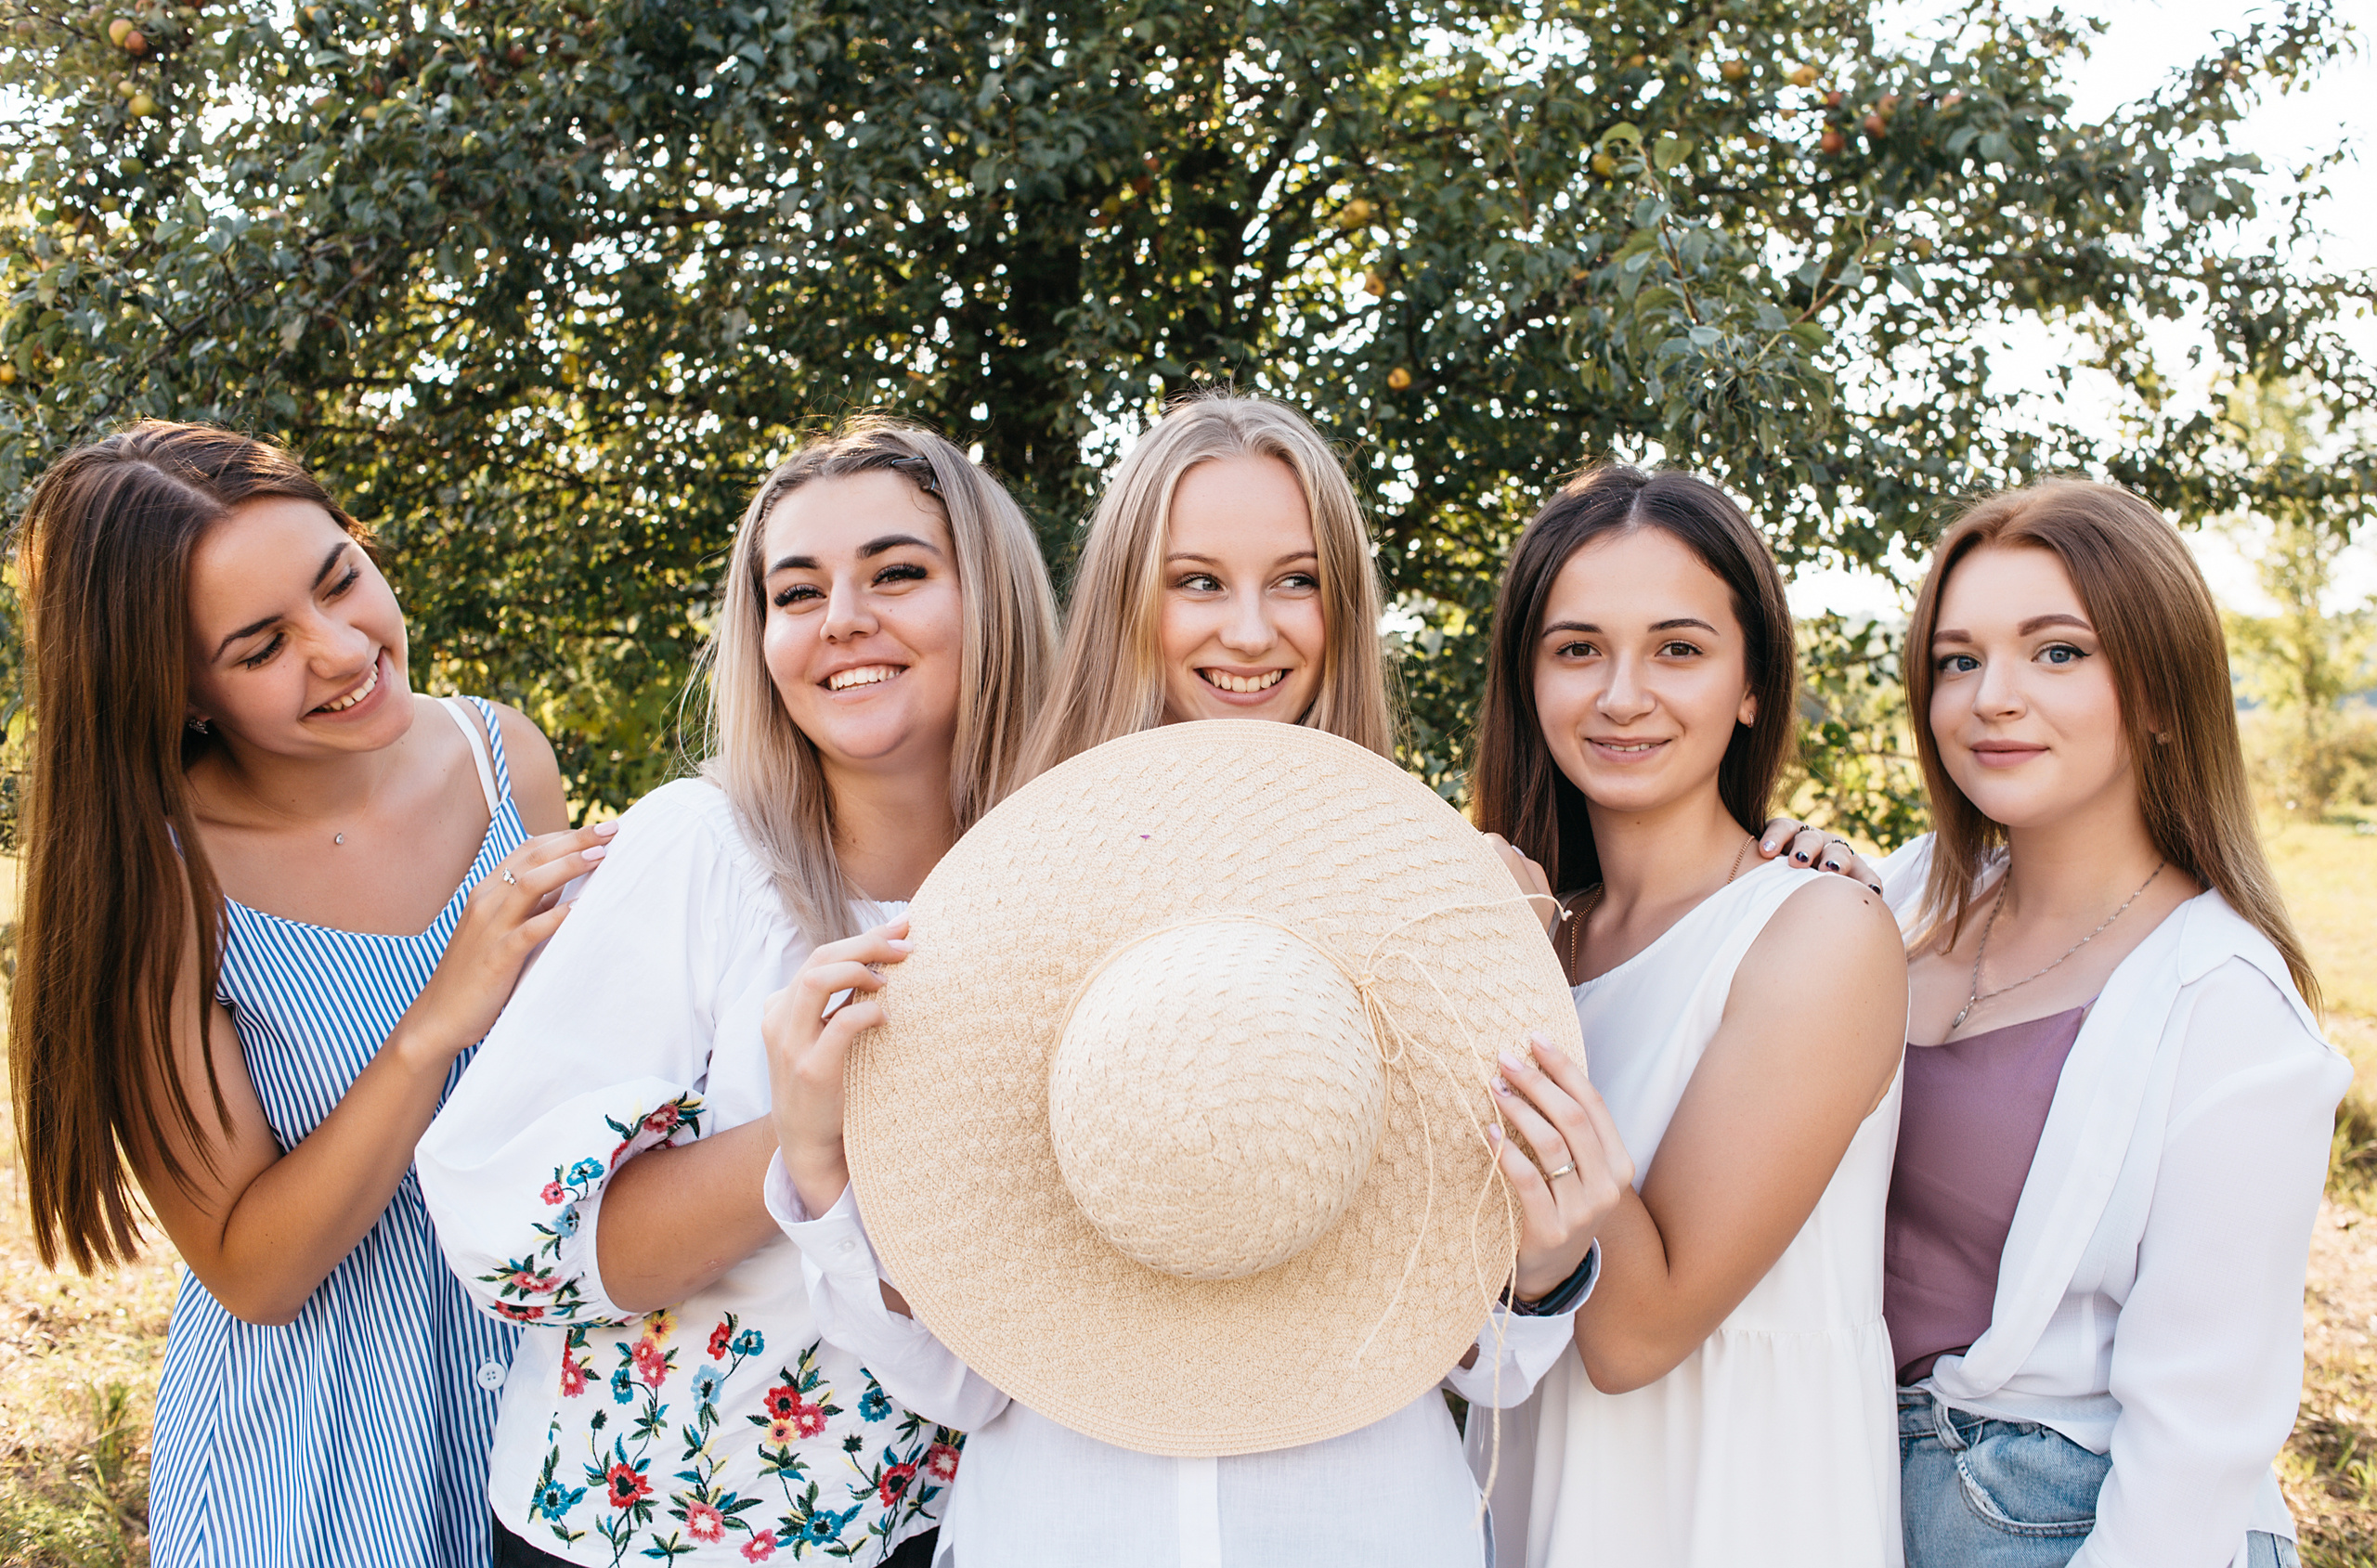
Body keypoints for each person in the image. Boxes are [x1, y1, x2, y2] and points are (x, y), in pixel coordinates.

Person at [763, 391, 1626, 1567]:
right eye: (1199, 582)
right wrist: (818, 1164)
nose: (1252, 631)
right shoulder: (1005, 907)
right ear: (1130, 597)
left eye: (1297, 580)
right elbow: (957, 1385)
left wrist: (1540, 1270)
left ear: (1345, 605)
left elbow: (1486, 1364)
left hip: (1361, 1532)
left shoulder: (1445, 904)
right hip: (1062, 1534)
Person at [417, 416, 1057, 1566]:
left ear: (994, 599)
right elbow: (530, 1249)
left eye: (897, 573)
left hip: (948, 1523)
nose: (843, 620)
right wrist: (828, 1126)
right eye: (796, 592)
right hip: (657, 1530)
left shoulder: (1066, 888)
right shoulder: (699, 851)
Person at [6, 421, 604, 1568]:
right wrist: (435, 1024)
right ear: (179, 690)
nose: (340, 650)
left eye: (340, 580)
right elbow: (254, 1269)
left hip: (555, 1423)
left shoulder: (505, 757)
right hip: (322, 1463)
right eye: (261, 645)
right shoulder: (164, 888)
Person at [1777, 479, 2347, 1567]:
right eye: (1957, 659)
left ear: (2163, 694)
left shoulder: (2227, 1005)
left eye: (2056, 652)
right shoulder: (1896, 902)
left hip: (2064, 1517)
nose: (1991, 697)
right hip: (1851, 1486)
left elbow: (2195, 1443)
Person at [1464, 464, 1909, 1565]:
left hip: (1730, 1506)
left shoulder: (1817, 934)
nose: (1622, 695)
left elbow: (1632, 1335)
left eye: (1678, 648)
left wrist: (1497, 992)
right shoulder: (1536, 933)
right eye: (1577, 649)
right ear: (1527, 680)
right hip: (1522, 1500)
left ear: (1751, 683)